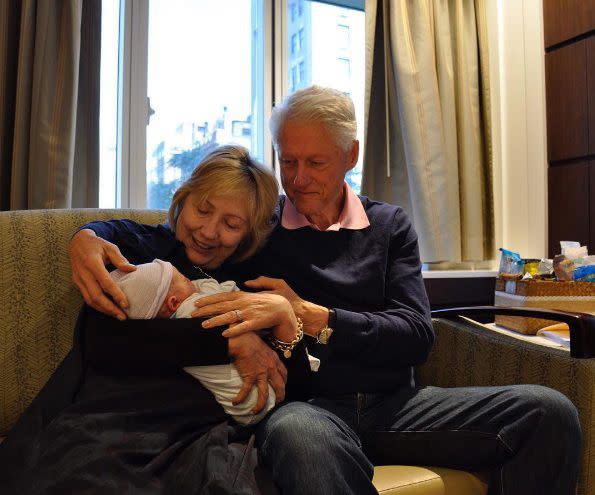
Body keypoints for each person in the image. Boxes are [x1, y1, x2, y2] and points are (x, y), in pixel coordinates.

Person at [187, 86, 582, 495]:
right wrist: (111, 240)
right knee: (301, 436)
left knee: (549, 412)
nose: (298, 179)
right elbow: (177, 243)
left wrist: (312, 317)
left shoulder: (389, 226)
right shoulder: (259, 228)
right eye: (288, 161)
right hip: (307, 409)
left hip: (397, 406)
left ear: (350, 155)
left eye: (315, 162)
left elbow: (415, 335)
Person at [0, 145, 306, 494]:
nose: (208, 231)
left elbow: (291, 387)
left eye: (231, 224)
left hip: (201, 434)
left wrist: (285, 320)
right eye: (202, 210)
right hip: (116, 419)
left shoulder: (254, 278)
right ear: (182, 199)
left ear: (249, 233)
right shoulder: (143, 250)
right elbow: (101, 339)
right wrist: (228, 341)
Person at [108, 258, 318, 425]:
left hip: (245, 410)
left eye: (231, 224)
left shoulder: (164, 320)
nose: (191, 281)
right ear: (173, 302)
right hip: (257, 401)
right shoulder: (193, 308)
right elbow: (216, 289)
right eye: (184, 279)